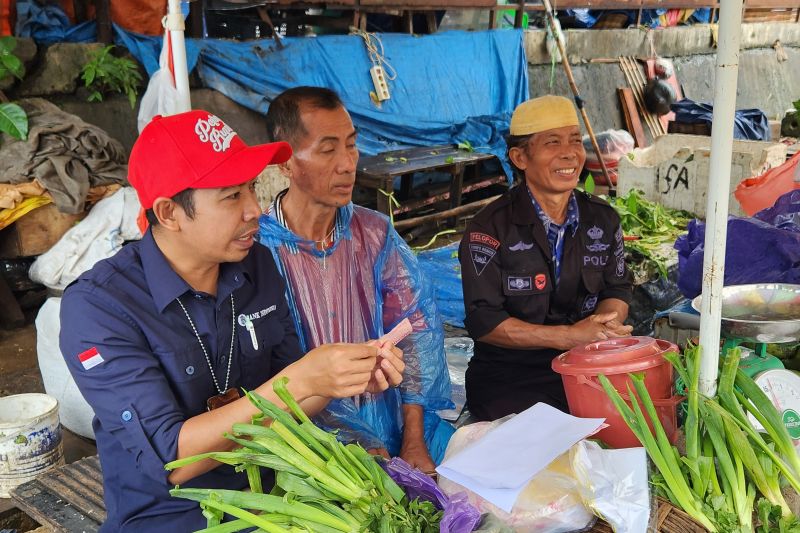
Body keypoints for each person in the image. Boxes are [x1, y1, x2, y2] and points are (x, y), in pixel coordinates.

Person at [59, 110, 405, 532]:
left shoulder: (255, 265)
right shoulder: (100, 306)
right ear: (169, 213)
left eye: (252, 189)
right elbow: (171, 459)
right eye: (230, 196)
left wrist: (337, 380)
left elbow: (293, 402)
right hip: (172, 513)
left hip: (279, 492)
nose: (254, 210)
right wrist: (302, 380)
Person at [258, 86, 454, 472]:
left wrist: (413, 442)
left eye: (351, 145)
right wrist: (338, 442)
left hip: (393, 425)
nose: (348, 163)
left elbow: (416, 334)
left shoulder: (375, 233)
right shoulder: (258, 249)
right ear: (285, 162)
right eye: (328, 149)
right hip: (299, 444)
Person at [458, 95, 634, 421]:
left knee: (630, 424)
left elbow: (618, 288)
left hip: (587, 364)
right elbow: (485, 321)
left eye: (573, 140)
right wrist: (568, 337)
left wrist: (606, 323)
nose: (569, 153)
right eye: (552, 143)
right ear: (520, 157)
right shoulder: (489, 229)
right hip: (510, 375)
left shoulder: (603, 219)